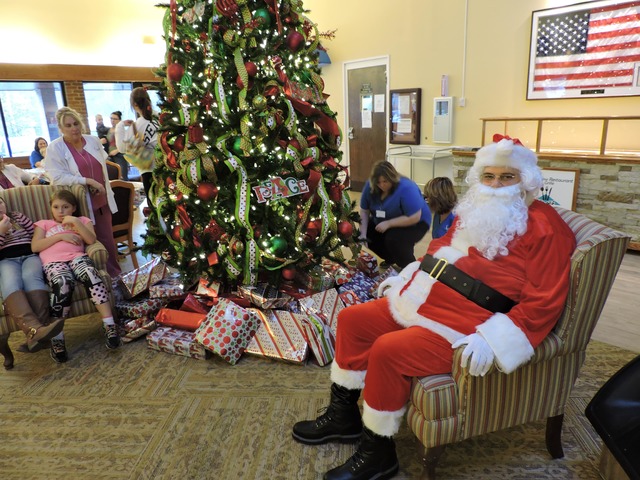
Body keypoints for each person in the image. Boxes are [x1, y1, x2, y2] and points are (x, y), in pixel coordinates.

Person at [291, 135, 577, 480]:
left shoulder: (547, 226)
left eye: (507, 177)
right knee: (352, 319)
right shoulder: (471, 210)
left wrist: (495, 338)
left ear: (526, 179)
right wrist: (407, 280)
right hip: (424, 298)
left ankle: (379, 453)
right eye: (489, 176)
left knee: (387, 350)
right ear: (479, 178)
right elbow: (438, 248)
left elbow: (543, 301)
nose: (496, 185)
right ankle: (343, 417)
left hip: (466, 323)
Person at [31, 190, 121, 363]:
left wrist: (75, 222)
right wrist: (61, 236)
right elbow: (36, 246)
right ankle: (57, 338)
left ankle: (109, 325)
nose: (60, 211)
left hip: (77, 258)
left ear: (73, 208)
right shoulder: (44, 224)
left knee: (92, 275)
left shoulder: (83, 221)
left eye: (65, 207)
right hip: (53, 262)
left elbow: (90, 240)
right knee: (63, 284)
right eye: (56, 207)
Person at [44, 107, 122, 277]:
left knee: (108, 242)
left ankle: (116, 278)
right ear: (61, 128)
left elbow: (102, 165)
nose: (74, 128)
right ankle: (97, 280)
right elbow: (56, 177)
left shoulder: (93, 141)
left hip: (102, 201)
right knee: (86, 245)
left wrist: (96, 182)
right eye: (68, 125)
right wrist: (87, 181)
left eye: (76, 123)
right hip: (79, 204)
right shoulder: (55, 148)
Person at [0, 197, 64, 365]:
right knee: (11, 284)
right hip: (5, 260)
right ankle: (38, 332)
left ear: (5, 203)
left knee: (31, 279)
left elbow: (35, 234)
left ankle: (35, 334)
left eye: (0, 202)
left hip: (29, 255)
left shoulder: (17, 216)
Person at [357, 161, 431, 268]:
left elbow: (415, 217)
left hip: (417, 222)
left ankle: (410, 267)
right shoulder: (370, 186)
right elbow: (364, 211)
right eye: (378, 182)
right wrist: (362, 234)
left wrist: (389, 223)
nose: (382, 185)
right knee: (369, 234)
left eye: (385, 181)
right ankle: (391, 258)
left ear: (392, 178)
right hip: (385, 219)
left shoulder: (406, 187)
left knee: (395, 239)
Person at [115, 87, 159, 201]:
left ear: (134, 104)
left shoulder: (136, 125)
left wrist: (120, 125)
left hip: (148, 169)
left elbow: (121, 148)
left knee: (155, 203)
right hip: (167, 165)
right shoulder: (160, 117)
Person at [107, 111, 128, 180]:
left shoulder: (122, 130)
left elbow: (127, 143)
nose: (112, 120)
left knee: (122, 178)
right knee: (112, 178)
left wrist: (117, 150)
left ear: (119, 120)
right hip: (110, 156)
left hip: (120, 155)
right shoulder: (109, 130)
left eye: (115, 119)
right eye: (111, 118)